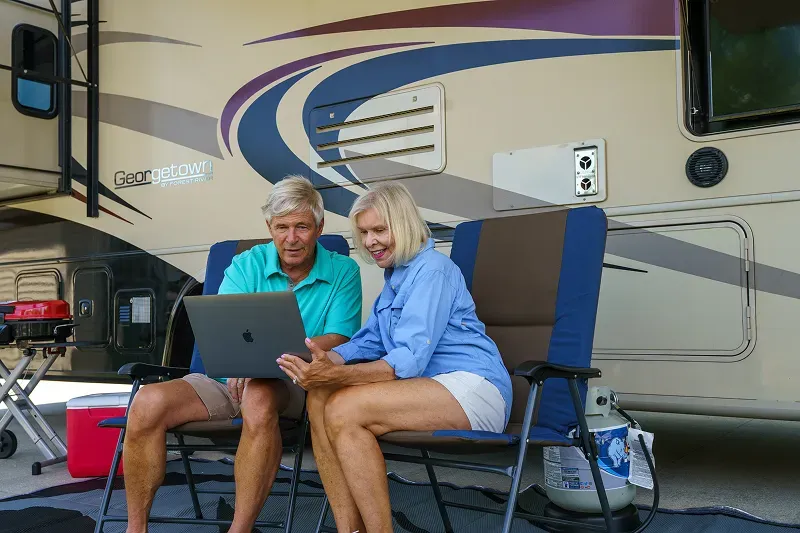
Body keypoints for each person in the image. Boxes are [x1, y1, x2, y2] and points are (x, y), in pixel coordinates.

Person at [122, 175, 362, 533]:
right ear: (269, 226)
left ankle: (240, 529)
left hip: (293, 381)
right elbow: (226, 323)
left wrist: (269, 357)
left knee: (260, 395)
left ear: (319, 227)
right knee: (146, 403)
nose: (291, 238)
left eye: (302, 226)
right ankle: (135, 528)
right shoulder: (245, 264)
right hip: (226, 379)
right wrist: (242, 361)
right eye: (282, 227)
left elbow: (340, 338)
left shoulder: (343, 271)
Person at [276, 181, 513, 533]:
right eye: (364, 232)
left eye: (379, 230)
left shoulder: (432, 270)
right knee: (319, 398)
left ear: (402, 224)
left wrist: (335, 375)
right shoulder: (396, 276)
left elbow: (410, 358)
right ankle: (349, 529)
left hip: (473, 389)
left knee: (343, 407)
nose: (370, 241)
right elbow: (368, 341)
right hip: (428, 388)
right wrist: (320, 361)